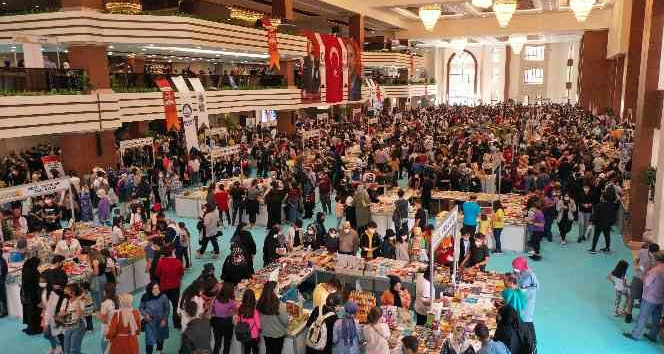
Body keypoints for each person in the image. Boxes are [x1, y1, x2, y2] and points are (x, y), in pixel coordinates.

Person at [624, 251, 664, 342]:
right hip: (661, 299)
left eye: (653, 259)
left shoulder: (654, 271)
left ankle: (635, 335)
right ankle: (653, 335)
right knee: (656, 319)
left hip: (650, 298)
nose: (652, 260)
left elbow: (646, 283)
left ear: (657, 260)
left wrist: (645, 274)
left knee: (642, 316)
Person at [625, 241, 660, 323]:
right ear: (649, 250)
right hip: (638, 278)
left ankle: (641, 318)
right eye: (652, 253)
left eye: (655, 254)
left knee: (645, 300)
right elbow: (635, 261)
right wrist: (637, 267)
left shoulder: (657, 257)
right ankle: (629, 314)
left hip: (649, 281)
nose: (654, 256)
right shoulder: (642, 252)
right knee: (632, 296)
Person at [512, 257, 539, 348]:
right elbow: (518, 279)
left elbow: (532, 288)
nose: (515, 271)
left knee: (527, 321)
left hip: (528, 302)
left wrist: (521, 290)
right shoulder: (522, 272)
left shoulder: (530, 275)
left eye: (516, 268)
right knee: (523, 320)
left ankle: (533, 343)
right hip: (523, 301)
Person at [155, 245, 184, 329]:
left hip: (164, 287)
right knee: (176, 306)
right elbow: (181, 273)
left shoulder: (160, 262)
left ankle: (162, 323)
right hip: (175, 287)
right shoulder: (177, 262)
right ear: (171, 252)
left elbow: (157, 274)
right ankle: (177, 324)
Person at [257, 281, 290, 354]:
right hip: (277, 334)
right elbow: (285, 321)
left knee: (268, 350)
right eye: (277, 288)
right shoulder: (278, 304)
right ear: (274, 290)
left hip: (266, 333)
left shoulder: (260, 302)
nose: (279, 289)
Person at [140, 282, 171, 354]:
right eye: (154, 288)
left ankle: (159, 351)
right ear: (150, 289)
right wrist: (145, 315)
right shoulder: (145, 297)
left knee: (160, 338)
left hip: (161, 321)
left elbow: (167, 309)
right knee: (149, 341)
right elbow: (141, 308)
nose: (156, 290)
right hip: (150, 323)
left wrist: (164, 319)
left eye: (157, 288)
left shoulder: (163, 297)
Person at [61, 283, 86, 354]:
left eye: (67, 290)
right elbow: (61, 313)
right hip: (68, 326)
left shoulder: (81, 300)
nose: (65, 291)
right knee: (66, 349)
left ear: (73, 292)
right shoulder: (65, 301)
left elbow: (80, 314)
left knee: (74, 349)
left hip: (78, 326)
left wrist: (77, 303)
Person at [212, 282, 237, 354]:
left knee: (217, 344)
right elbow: (236, 311)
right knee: (227, 344)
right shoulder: (231, 302)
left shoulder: (216, 299)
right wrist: (229, 313)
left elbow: (213, 311)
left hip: (217, 323)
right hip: (227, 324)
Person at [236, 289, 261, 354]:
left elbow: (238, 320)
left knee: (246, 350)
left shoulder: (240, 309)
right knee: (255, 350)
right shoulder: (254, 311)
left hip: (244, 334)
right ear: (253, 299)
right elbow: (258, 325)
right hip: (254, 335)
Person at [21, 257, 42, 334]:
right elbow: (35, 283)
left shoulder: (26, 269)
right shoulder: (32, 271)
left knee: (28, 312)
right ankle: (34, 329)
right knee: (34, 313)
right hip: (32, 296)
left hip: (27, 295)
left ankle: (30, 327)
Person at [99, 282, 120, 354]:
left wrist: (98, 315)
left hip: (107, 329)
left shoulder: (105, 303)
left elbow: (104, 320)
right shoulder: (117, 300)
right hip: (116, 328)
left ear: (105, 291)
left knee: (106, 349)